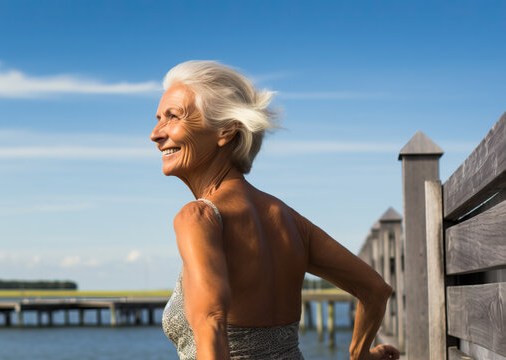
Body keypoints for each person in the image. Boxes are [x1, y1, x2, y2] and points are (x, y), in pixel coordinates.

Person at [151, 60, 400, 360]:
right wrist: (361, 354)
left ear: (226, 131)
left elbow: (212, 325)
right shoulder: (290, 221)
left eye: (172, 117)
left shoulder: (198, 218)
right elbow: (374, 290)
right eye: (158, 118)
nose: (156, 133)